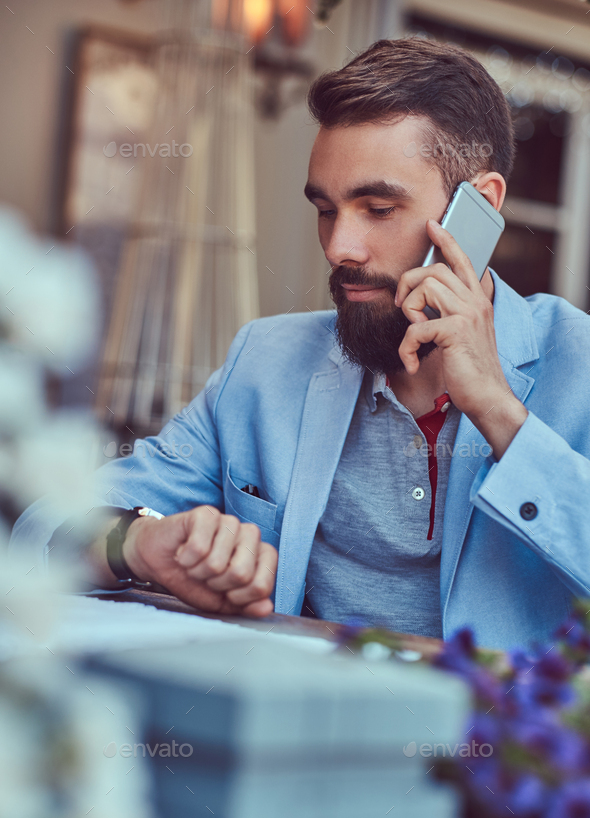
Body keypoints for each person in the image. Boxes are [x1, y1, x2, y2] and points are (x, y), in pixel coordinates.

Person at [13, 38, 590, 649]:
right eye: (325, 209)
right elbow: (38, 531)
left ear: (481, 208)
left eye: (378, 207)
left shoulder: (578, 364)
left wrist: (501, 415)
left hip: (499, 742)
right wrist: (136, 544)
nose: (341, 247)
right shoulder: (264, 364)